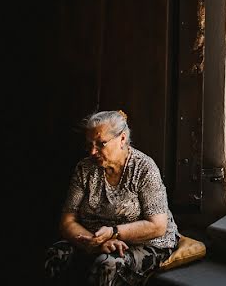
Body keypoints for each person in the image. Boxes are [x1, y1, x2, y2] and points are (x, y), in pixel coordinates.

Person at [45, 110, 179, 285]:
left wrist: (114, 233)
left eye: (101, 144)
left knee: (107, 265)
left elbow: (158, 225)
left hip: (147, 241)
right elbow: (67, 221)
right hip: (96, 237)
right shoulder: (84, 169)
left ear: (122, 139)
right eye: (89, 144)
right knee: (57, 254)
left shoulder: (144, 168)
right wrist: (96, 244)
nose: (92, 151)